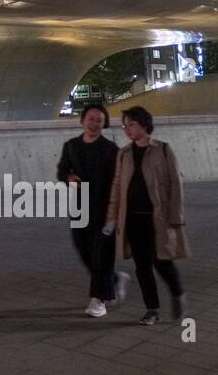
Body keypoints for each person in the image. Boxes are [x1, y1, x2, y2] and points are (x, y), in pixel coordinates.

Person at [104, 106, 190, 325]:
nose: (127, 129)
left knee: (161, 261)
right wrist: (112, 217)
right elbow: (117, 186)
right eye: (124, 125)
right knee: (141, 266)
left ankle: (177, 293)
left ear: (144, 124)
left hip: (157, 219)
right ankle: (152, 309)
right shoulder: (124, 153)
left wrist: (176, 216)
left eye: (131, 124)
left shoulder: (163, 150)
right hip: (132, 219)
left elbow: (175, 184)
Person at [56, 104, 128, 317]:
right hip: (79, 206)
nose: (95, 123)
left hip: (105, 207)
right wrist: (68, 177)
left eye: (99, 119)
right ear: (82, 120)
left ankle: (99, 300)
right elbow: (62, 170)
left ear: (104, 123)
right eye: (91, 118)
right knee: (83, 250)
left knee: (101, 255)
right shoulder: (71, 146)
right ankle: (113, 280)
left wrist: (116, 212)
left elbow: (118, 180)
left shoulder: (110, 149)